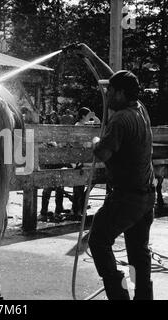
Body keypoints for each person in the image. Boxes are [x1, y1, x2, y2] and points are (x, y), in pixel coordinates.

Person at [72, 44, 155, 300]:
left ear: (120, 93)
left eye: (110, 92)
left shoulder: (120, 120)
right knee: (138, 253)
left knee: (98, 241)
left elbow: (102, 154)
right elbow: (116, 77)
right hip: (146, 196)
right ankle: (143, 296)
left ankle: (118, 293)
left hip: (126, 197)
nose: (106, 95)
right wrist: (91, 54)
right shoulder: (139, 108)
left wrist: (96, 142)